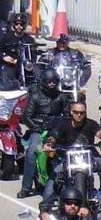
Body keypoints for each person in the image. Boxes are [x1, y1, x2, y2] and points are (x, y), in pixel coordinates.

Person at [38, 99, 101, 209]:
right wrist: (49, 143)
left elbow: (99, 132)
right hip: (68, 159)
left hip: (88, 157)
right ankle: (45, 206)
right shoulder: (63, 124)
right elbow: (54, 135)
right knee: (53, 178)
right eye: (76, 112)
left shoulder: (91, 124)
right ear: (71, 112)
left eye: (82, 113)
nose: (79, 115)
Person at [19, 67, 71, 197]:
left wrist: (62, 126)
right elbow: (26, 117)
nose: (52, 85)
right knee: (31, 153)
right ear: (43, 82)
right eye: (49, 82)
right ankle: (26, 188)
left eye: (54, 82)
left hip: (57, 130)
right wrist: (37, 128)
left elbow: (67, 115)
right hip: (39, 130)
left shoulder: (62, 97)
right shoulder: (35, 96)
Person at [0, 11, 36, 87]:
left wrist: (22, 61)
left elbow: (33, 57)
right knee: (7, 78)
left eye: (21, 24)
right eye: (17, 24)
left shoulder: (30, 40)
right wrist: (3, 57)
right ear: (14, 24)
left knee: (37, 76)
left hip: (26, 67)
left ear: (25, 25)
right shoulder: (6, 38)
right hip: (10, 65)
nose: (19, 26)